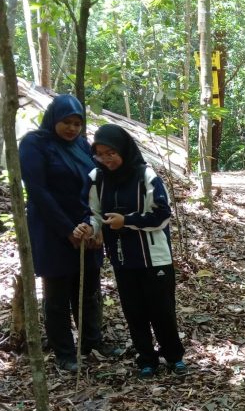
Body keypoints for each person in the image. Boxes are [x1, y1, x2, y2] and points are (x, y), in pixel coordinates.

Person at [19, 94, 119, 372]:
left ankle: (91, 342)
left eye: (77, 123)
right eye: (66, 122)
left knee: (89, 289)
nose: (72, 128)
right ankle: (64, 352)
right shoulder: (34, 144)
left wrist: (92, 223)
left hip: (85, 226)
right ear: (53, 119)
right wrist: (67, 229)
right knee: (58, 293)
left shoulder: (83, 146)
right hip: (51, 228)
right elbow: (38, 191)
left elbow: (95, 186)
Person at [80, 124, 187, 378]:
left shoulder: (145, 175)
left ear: (123, 150)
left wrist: (126, 221)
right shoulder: (97, 178)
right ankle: (146, 358)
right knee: (134, 310)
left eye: (111, 153)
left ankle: (174, 357)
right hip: (122, 257)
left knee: (161, 310)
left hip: (154, 257)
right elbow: (95, 213)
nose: (106, 159)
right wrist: (89, 227)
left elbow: (162, 215)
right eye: (100, 154)